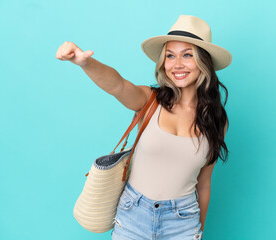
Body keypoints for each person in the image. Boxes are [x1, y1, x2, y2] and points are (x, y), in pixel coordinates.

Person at [56, 15, 232, 240]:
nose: (177, 64)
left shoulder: (216, 120)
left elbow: (204, 184)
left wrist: (199, 231)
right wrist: (85, 63)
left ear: (204, 62)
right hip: (133, 215)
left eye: (187, 55)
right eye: (170, 56)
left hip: (183, 221)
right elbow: (117, 85)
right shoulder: (149, 101)